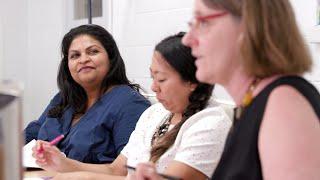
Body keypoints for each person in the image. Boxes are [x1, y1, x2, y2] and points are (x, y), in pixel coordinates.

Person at [131, 0, 320, 179]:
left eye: (203, 22)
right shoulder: (253, 103)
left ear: (249, 26)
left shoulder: (284, 103)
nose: (188, 39)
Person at [32, 32, 231, 180]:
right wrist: (63, 163)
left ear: (192, 81)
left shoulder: (210, 123)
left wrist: (83, 177)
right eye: (152, 77)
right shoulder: (155, 114)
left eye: (161, 79)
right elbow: (116, 170)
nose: (153, 87)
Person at [24, 24, 151, 164]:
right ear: (67, 65)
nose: (83, 59)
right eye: (75, 55)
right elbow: (33, 132)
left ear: (111, 57)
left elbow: (128, 168)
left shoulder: (130, 104)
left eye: (93, 52)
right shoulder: (63, 98)